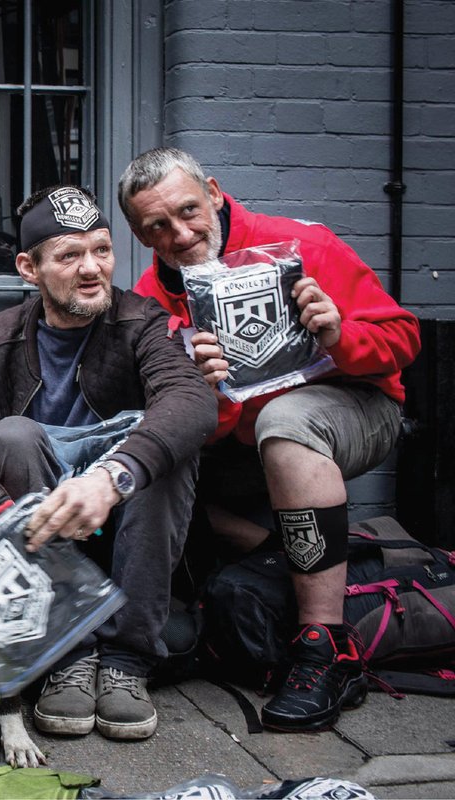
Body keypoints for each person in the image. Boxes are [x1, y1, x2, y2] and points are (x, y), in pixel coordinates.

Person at [118, 147, 421, 732]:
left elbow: (403, 341)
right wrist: (204, 393)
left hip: (357, 406)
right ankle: (272, 561)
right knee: (146, 457)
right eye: (158, 226)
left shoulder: (301, 245)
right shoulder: (152, 303)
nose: (180, 234)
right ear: (140, 234)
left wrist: (339, 334)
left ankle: (326, 644)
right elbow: (196, 423)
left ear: (212, 191)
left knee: (287, 421)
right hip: (243, 439)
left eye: (188, 211)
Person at [0, 185, 215, 741]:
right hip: (40, 534)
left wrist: (112, 477)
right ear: (29, 268)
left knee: (162, 441)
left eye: (102, 250)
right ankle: (65, 652)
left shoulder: (142, 321)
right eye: (70, 256)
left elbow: (192, 402)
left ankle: (126, 659)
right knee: (13, 436)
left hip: (130, 532)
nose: (92, 269)